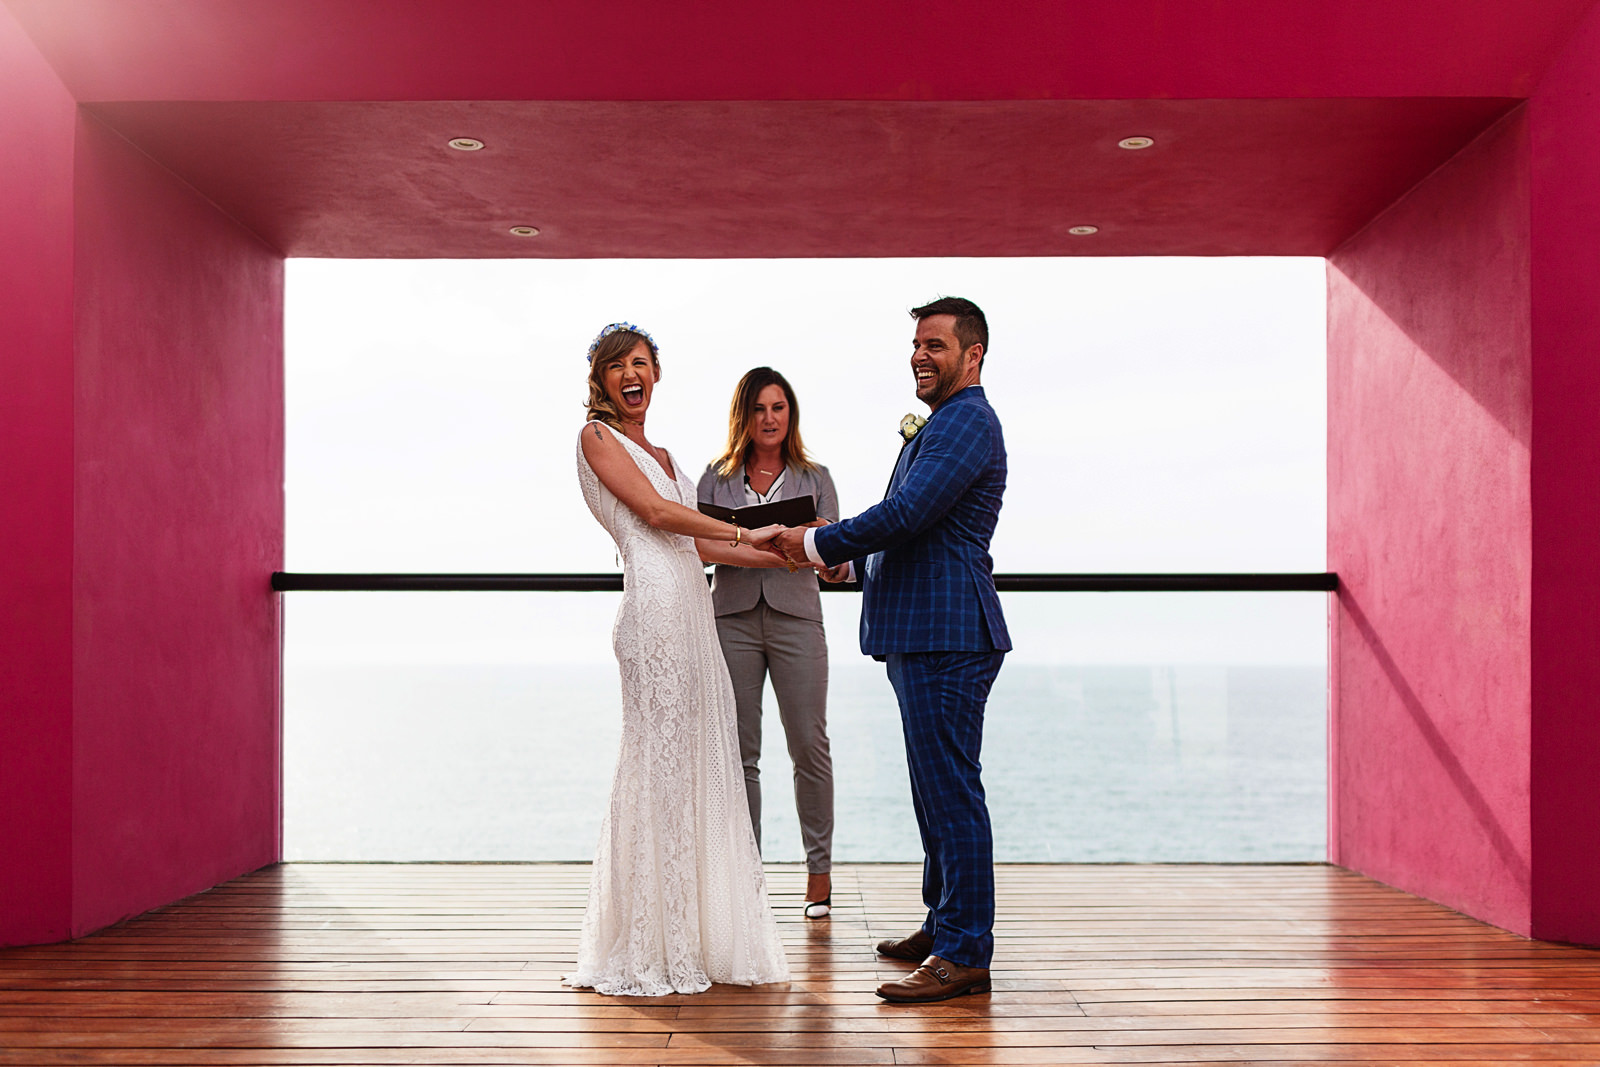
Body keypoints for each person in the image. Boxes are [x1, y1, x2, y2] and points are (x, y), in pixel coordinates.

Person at [772, 297, 1009, 1004]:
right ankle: (945, 923)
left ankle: (965, 950)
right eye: (915, 344)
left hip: (948, 633)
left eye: (935, 344)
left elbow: (906, 515)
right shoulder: (941, 424)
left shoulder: (968, 421)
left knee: (953, 795)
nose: (919, 355)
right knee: (935, 793)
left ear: (974, 354)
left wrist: (815, 540)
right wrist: (845, 564)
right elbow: (912, 534)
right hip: (922, 631)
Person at [566, 322, 791, 997]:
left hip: (693, 611)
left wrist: (792, 551)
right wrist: (748, 526)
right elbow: (660, 518)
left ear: (656, 374)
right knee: (656, 764)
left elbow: (706, 546)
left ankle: (692, 933)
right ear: (602, 379)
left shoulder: (662, 449)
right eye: (617, 366)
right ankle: (646, 943)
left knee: (695, 761)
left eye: (641, 363)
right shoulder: (595, 438)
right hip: (654, 612)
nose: (630, 375)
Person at [698, 368, 838, 919]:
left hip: (797, 619)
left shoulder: (816, 477)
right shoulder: (715, 478)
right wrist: (769, 546)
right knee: (739, 754)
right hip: (730, 618)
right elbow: (700, 549)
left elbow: (840, 563)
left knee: (810, 746)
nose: (770, 418)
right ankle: (746, 878)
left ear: (791, 414)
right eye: (759, 408)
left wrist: (827, 541)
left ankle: (819, 877)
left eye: (779, 407)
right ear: (744, 416)